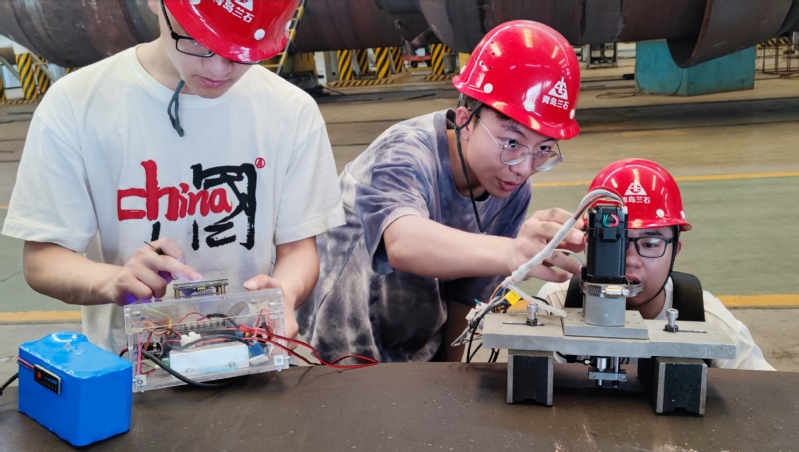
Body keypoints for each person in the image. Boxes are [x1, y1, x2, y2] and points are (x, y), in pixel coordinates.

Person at [1, 0, 344, 355]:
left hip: (254, 353)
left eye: (240, 51)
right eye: (196, 39)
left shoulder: (290, 111)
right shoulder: (77, 104)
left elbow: (298, 250)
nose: (218, 68)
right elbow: (42, 260)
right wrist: (113, 281)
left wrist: (285, 293)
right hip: (128, 363)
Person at [297, 20, 586, 363]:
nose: (524, 168)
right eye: (512, 142)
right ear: (465, 120)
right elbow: (403, 243)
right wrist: (514, 252)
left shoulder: (512, 188)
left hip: (416, 353)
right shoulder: (404, 152)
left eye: (544, 149)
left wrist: (451, 377)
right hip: (336, 351)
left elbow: (468, 298)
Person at [537, 158, 774, 370]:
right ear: (586, 243)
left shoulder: (708, 322)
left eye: (650, 244)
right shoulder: (556, 307)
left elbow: (761, 394)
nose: (631, 260)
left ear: (674, 251)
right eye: (613, 243)